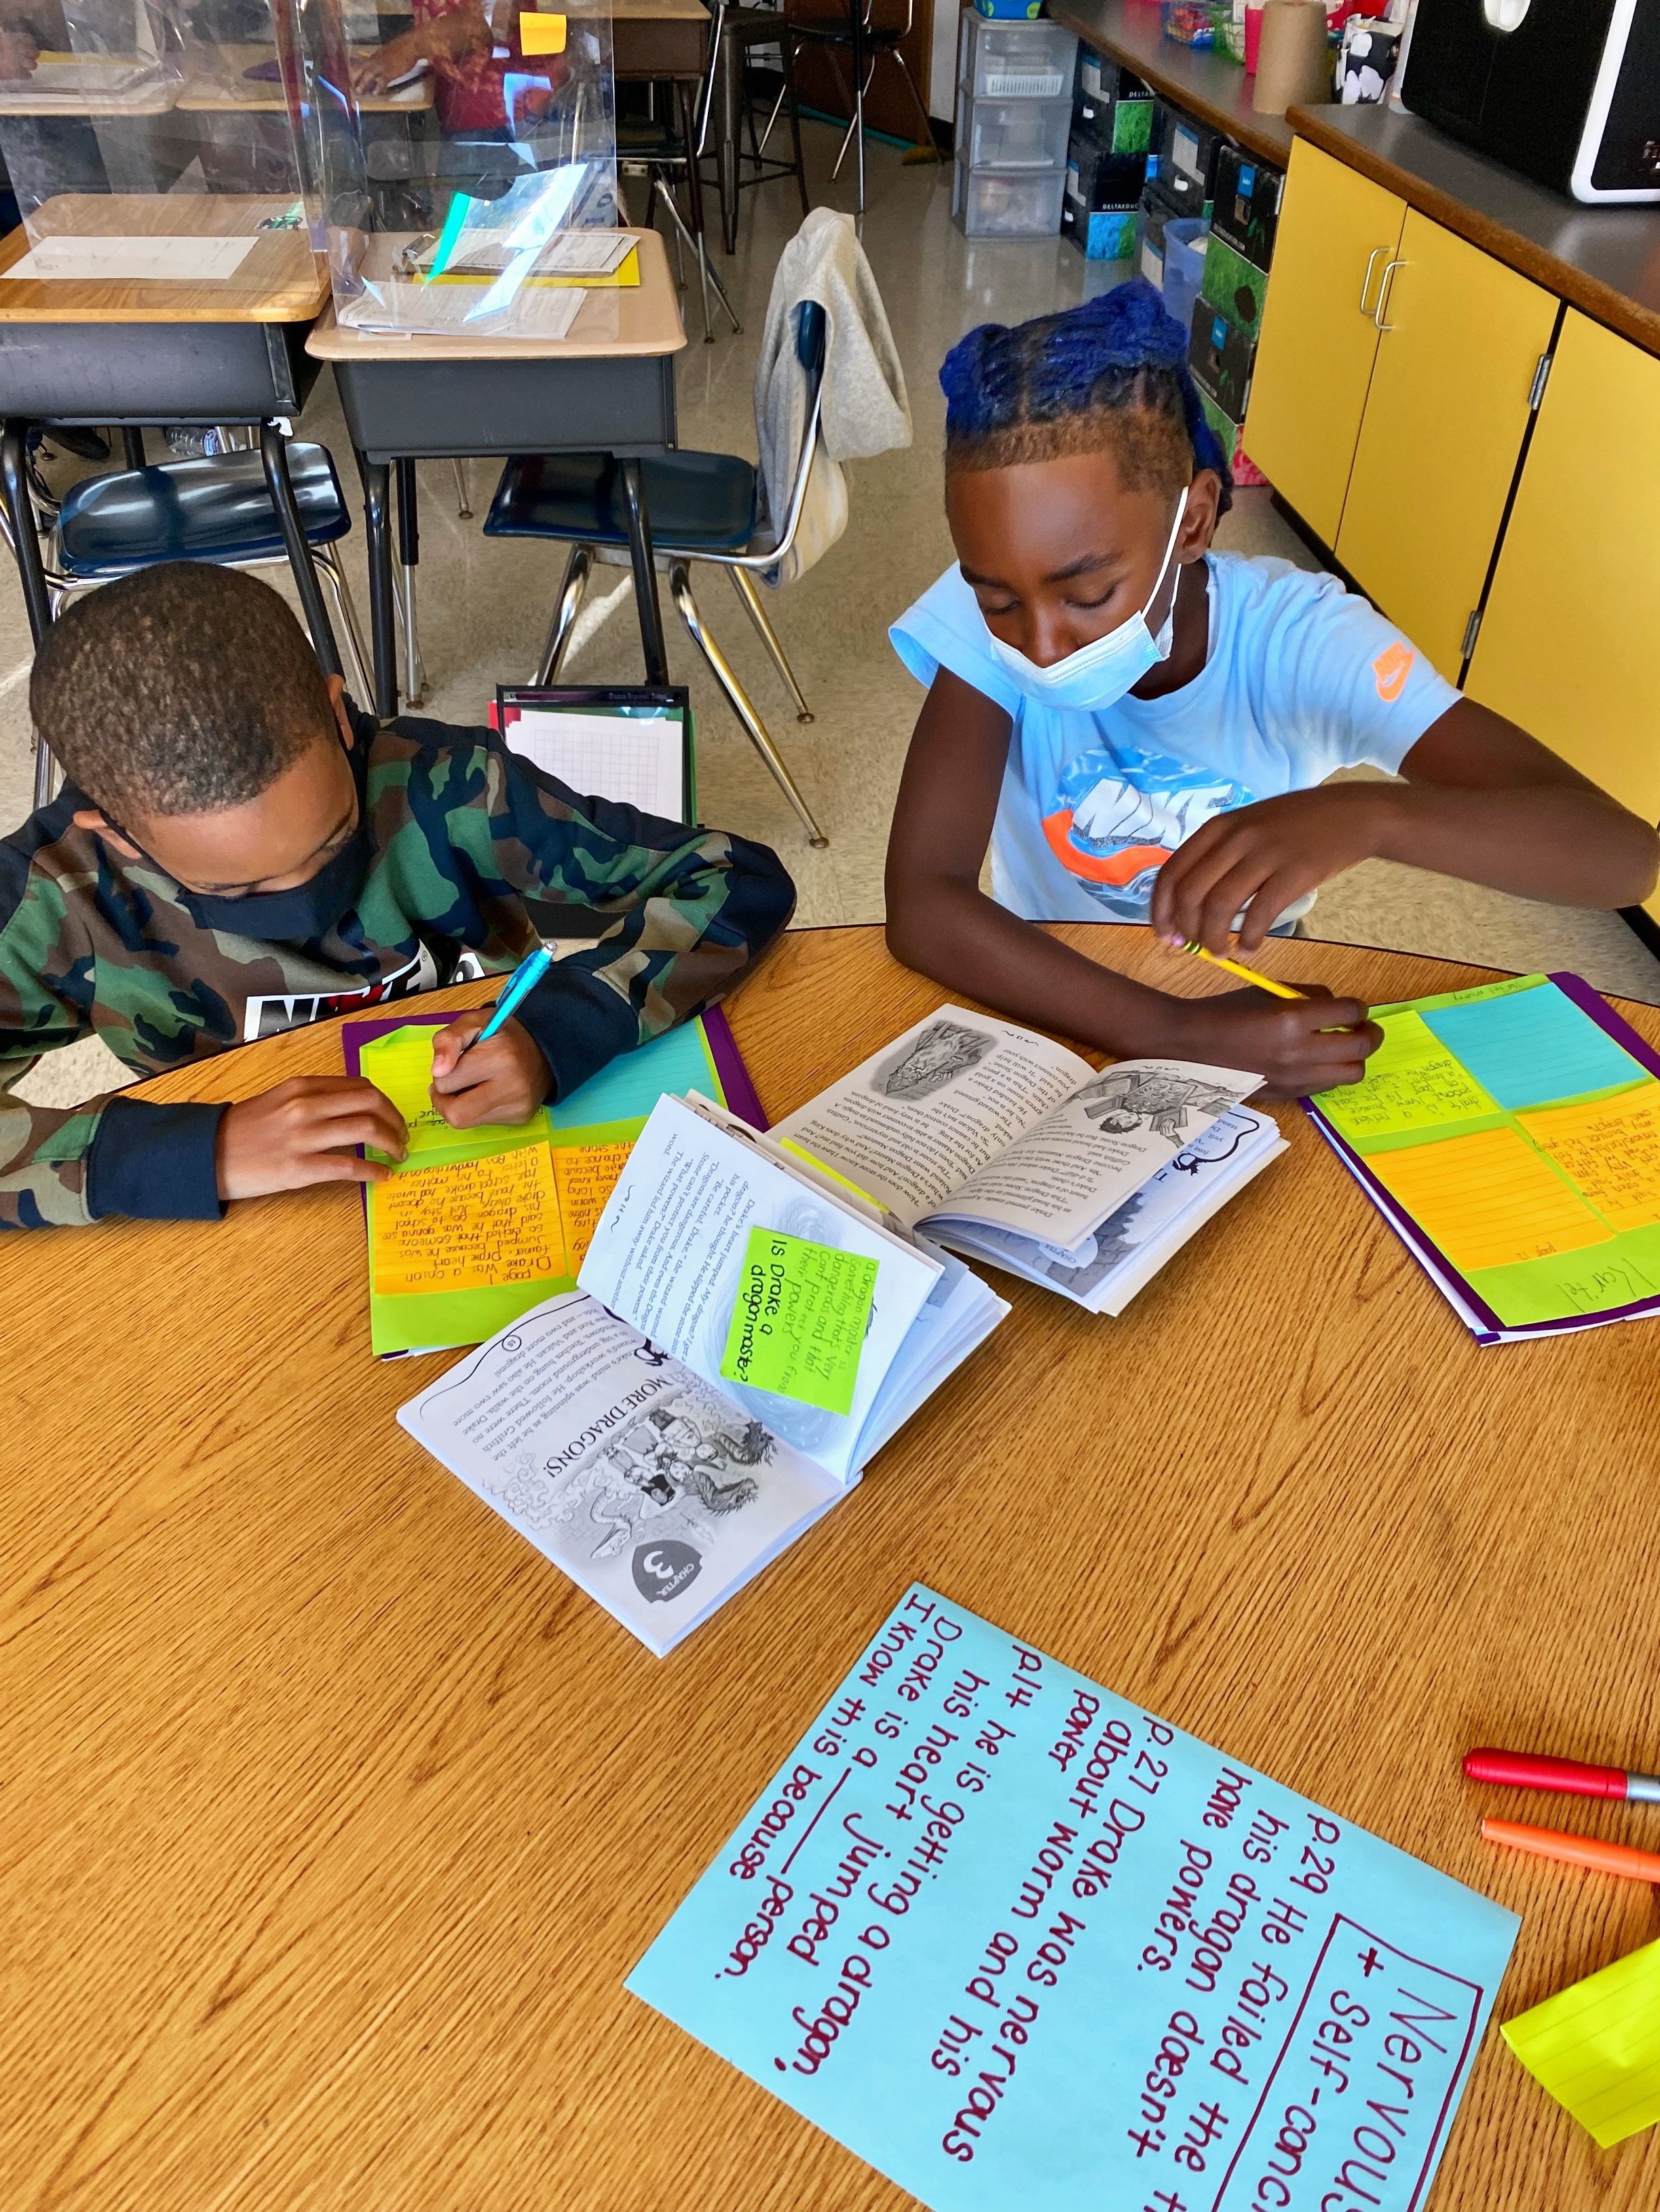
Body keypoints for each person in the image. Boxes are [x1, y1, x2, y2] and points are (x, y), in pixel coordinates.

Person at [884, 280, 1659, 1098]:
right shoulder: (989, 604)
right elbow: (925, 899)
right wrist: (1173, 1033)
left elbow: (1620, 858)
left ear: (1192, 521)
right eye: (999, 600)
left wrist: (1368, 814)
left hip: (1255, 995)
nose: (1037, 643)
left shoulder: (1302, 642)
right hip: (1046, 985)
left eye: (1085, 596)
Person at [0, 562, 794, 1229]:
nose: (304, 902)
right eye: (232, 888)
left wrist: (560, 1030)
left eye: (335, 836)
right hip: (241, 1215)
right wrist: (196, 1150)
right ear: (111, 830)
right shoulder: (49, 899)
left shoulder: (453, 788)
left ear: (339, 717)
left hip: (468, 1158)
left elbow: (733, 877)